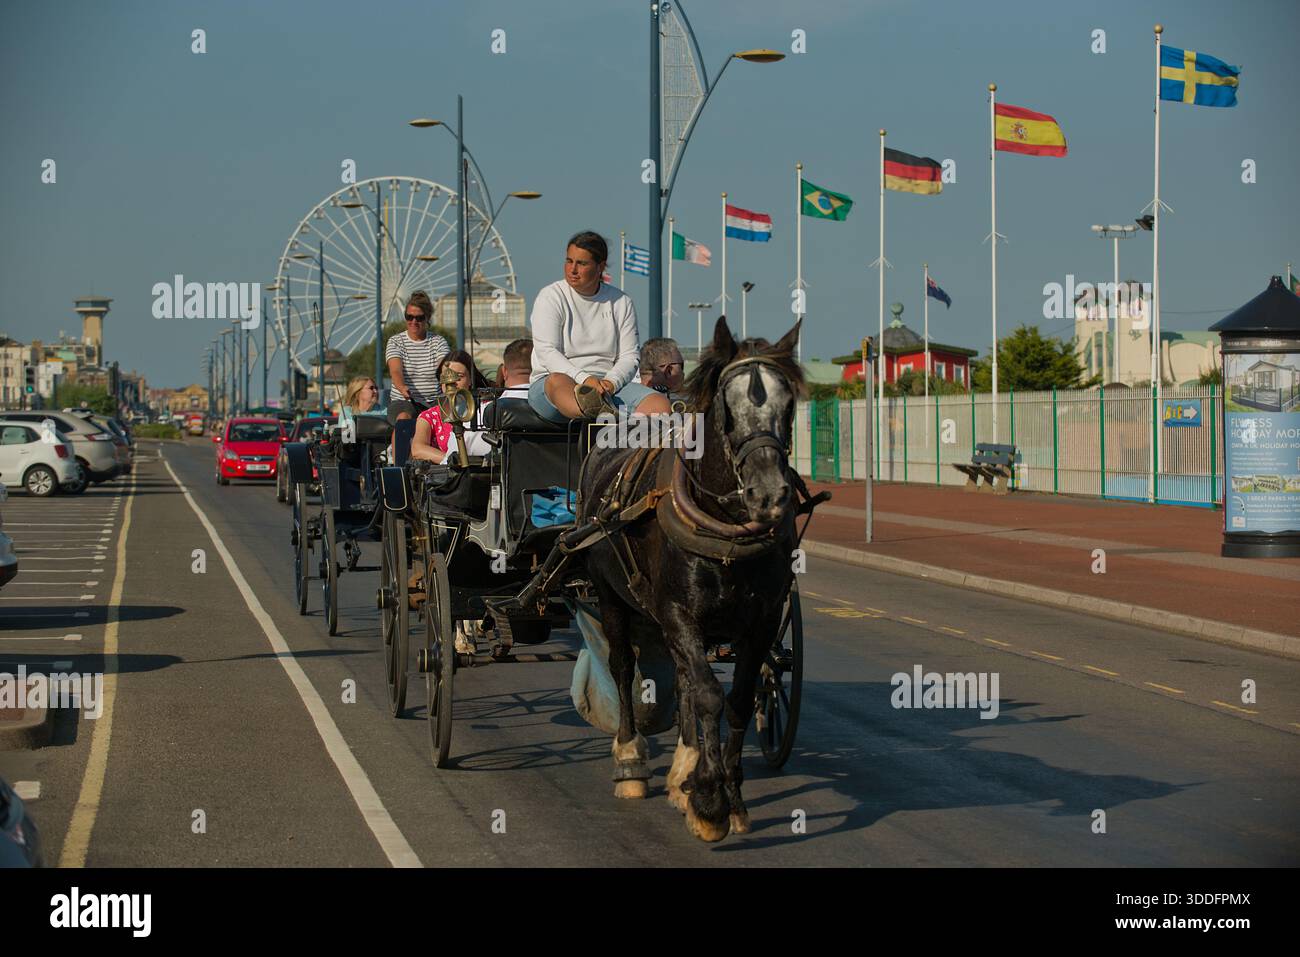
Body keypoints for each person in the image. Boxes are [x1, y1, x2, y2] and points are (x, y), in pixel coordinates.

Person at [528, 231, 671, 422]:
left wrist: (610, 382)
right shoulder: (550, 297)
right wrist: (585, 380)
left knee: (660, 405)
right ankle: (601, 414)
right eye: (569, 261)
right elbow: (547, 352)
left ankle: (614, 423)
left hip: (607, 385)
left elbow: (629, 356)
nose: (572, 269)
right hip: (556, 384)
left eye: (582, 263)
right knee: (557, 380)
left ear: (600, 266)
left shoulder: (621, 302)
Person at [409, 351, 489, 464]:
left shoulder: (486, 408)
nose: (451, 382)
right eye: (445, 377)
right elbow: (418, 449)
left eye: (459, 377)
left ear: (470, 379)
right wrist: (452, 460)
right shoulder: (429, 416)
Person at [386, 291, 450, 425]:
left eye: (419, 318)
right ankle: (399, 445)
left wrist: (447, 384)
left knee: (452, 416)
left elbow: (444, 368)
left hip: (434, 400)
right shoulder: (395, 341)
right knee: (404, 419)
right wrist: (402, 387)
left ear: (427, 318)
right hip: (404, 401)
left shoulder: (438, 342)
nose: (413, 321)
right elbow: (395, 371)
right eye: (409, 317)